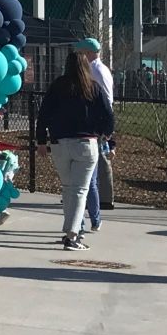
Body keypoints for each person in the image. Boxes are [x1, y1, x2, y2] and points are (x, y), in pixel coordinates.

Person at [36, 51, 117, 251]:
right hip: (86, 144)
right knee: (81, 190)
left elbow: (43, 114)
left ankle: (70, 230)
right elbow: (108, 115)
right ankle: (72, 236)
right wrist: (104, 134)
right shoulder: (93, 88)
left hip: (59, 143)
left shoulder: (57, 87)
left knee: (68, 188)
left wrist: (40, 141)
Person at [76, 37, 116, 233]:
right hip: (96, 127)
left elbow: (106, 101)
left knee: (91, 176)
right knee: (90, 175)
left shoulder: (97, 71)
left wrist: (105, 130)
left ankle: (95, 213)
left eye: (82, 52)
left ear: (89, 52)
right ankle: (93, 215)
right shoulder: (98, 69)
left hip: (96, 129)